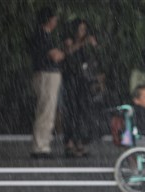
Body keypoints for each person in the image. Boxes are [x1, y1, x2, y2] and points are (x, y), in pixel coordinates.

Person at [61, 19, 104, 157]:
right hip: (72, 79)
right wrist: (83, 43)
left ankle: (79, 142)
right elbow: (69, 52)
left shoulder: (86, 44)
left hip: (84, 80)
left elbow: (93, 60)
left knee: (82, 111)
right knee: (72, 111)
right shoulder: (69, 40)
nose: (83, 32)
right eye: (80, 29)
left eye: (84, 29)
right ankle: (69, 143)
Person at [30, 7, 65, 158]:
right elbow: (55, 56)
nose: (56, 21)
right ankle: (40, 146)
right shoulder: (42, 35)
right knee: (46, 110)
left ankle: (42, 144)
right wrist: (65, 51)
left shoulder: (42, 35)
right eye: (54, 18)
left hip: (45, 74)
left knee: (46, 110)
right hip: (47, 74)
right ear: (49, 20)